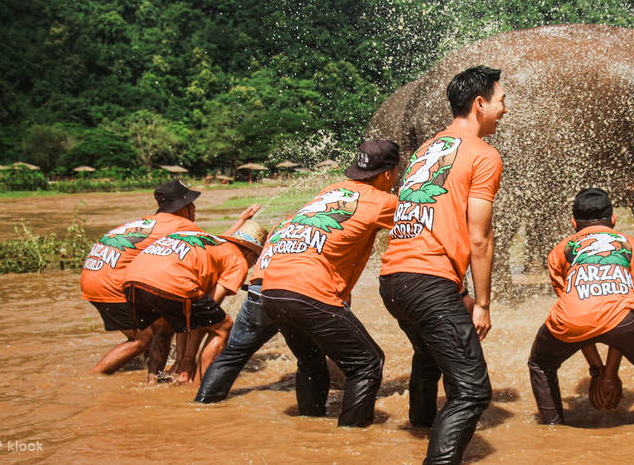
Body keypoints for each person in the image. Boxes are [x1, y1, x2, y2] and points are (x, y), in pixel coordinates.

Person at [196, 141, 399, 423]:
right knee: (367, 363)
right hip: (306, 292)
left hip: (271, 290)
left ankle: (309, 427)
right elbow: (425, 217)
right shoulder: (382, 201)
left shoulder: (329, 192)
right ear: (388, 174)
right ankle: (350, 444)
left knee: (311, 363)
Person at [379, 65, 506, 464]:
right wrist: (482, 304)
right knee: (472, 391)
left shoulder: (425, 150)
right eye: (501, 101)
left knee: (429, 355)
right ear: (480, 103)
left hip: (393, 279)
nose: (505, 109)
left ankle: (420, 427)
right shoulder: (484, 155)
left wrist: (460, 292)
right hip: (428, 280)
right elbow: (479, 236)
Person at [527, 187, 634, 425]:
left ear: (573, 221)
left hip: (571, 321)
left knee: (541, 365)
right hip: (626, 322)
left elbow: (580, 310)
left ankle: (552, 428)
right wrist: (608, 372)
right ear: (613, 220)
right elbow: (623, 310)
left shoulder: (559, 250)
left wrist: (600, 371)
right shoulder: (633, 246)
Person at [81, 179, 203, 382]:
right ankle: (91, 378)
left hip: (92, 277)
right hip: (112, 283)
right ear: (183, 208)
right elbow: (212, 249)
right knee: (144, 338)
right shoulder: (183, 226)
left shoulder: (146, 222)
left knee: (153, 328)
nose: (194, 208)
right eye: (191, 204)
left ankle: (153, 377)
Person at [121, 215, 267, 383]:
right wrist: (187, 361)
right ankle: (199, 386)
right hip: (169, 280)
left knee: (163, 327)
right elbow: (205, 316)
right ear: (251, 254)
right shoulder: (239, 260)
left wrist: (181, 360)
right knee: (223, 327)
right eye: (255, 260)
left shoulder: (209, 242)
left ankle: (152, 381)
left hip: (132, 279)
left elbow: (189, 316)